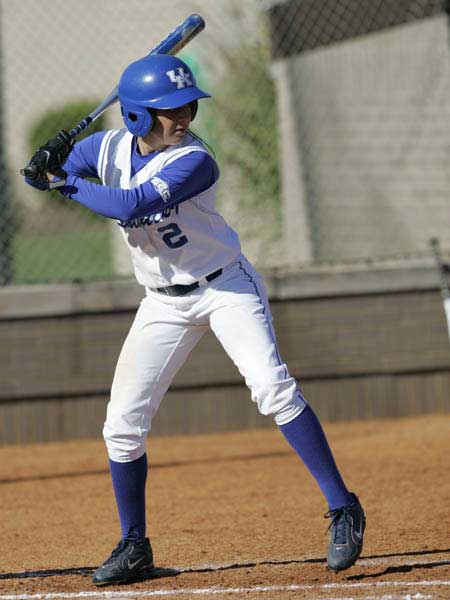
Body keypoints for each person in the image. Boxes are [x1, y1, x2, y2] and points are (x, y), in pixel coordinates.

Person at [24, 54, 365, 586]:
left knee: (272, 389)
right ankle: (134, 544)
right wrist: (49, 164)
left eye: (187, 106)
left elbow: (129, 204)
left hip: (224, 285)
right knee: (121, 425)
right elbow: (68, 175)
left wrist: (59, 181)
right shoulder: (106, 148)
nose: (182, 117)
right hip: (162, 300)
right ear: (135, 115)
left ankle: (344, 507)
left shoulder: (194, 160)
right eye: (168, 110)